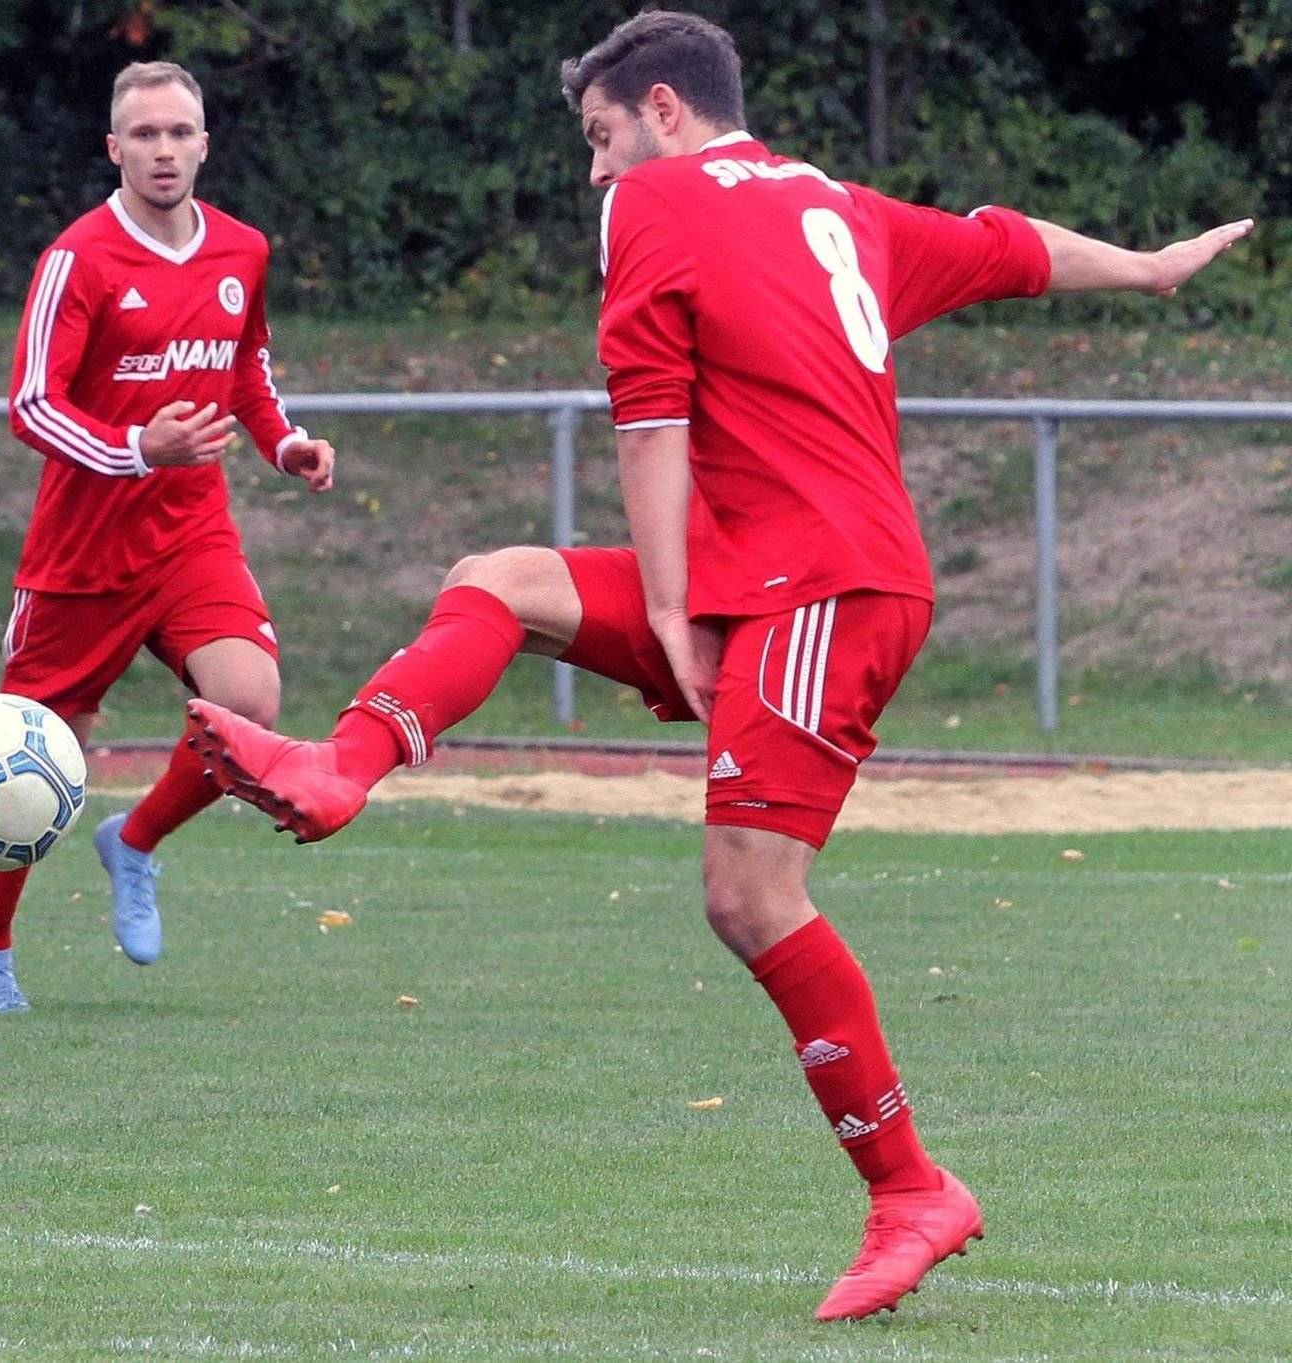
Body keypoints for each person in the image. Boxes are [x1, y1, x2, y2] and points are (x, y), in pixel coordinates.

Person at [185, 9, 1251, 1322]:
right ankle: (343, 764)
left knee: (750, 894)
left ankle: (912, 1186)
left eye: (599, 138)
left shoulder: (661, 201)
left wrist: (680, 611)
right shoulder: (832, 204)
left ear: (666, 111)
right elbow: (1005, 247)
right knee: (499, 579)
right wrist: (1147, 269)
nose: (594, 172)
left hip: (816, 583)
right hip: (767, 572)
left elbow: (650, 426)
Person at [0, 59, 335, 1012]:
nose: (163, 150)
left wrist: (283, 441)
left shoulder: (244, 250)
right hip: (80, 553)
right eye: (145, 135)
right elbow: (30, 406)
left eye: (180, 133)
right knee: (40, 759)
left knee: (248, 701)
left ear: (204, 144)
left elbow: (246, 366)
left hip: (190, 533)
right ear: (114, 148)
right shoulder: (77, 260)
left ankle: (136, 841)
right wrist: (138, 448)